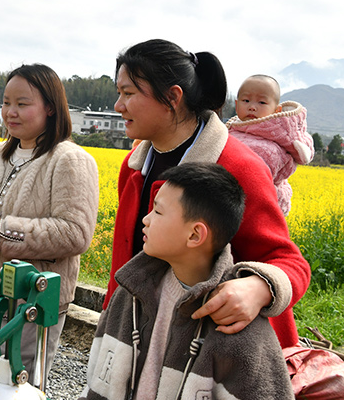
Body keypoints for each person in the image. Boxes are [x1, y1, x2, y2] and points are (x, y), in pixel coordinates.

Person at [108, 39, 310, 349]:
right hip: (140, 339)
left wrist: (257, 289)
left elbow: (287, 262)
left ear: (173, 97)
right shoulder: (134, 168)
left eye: (129, 94)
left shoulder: (237, 167)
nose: (118, 106)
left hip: (211, 354)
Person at [82, 163, 294, 400]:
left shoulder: (236, 323)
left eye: (158, 212)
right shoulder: (129, 294)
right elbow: (95, 382)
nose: (146, 219)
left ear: (195, 235)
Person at [0, 64, 98, 386]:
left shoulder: (69, 160)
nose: (10, 112)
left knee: (21, 383)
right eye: (6, 103)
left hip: (33, 304)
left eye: (22, 103)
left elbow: (75, 233)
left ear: (50, 107)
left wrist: (3, 231)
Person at [226, 74, 314, 216]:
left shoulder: (278, 139)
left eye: (261, 102)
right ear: (236, 105)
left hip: (260, 207)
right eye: (246, 100)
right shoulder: (229, 129)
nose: (252, 107)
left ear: (277, 110)